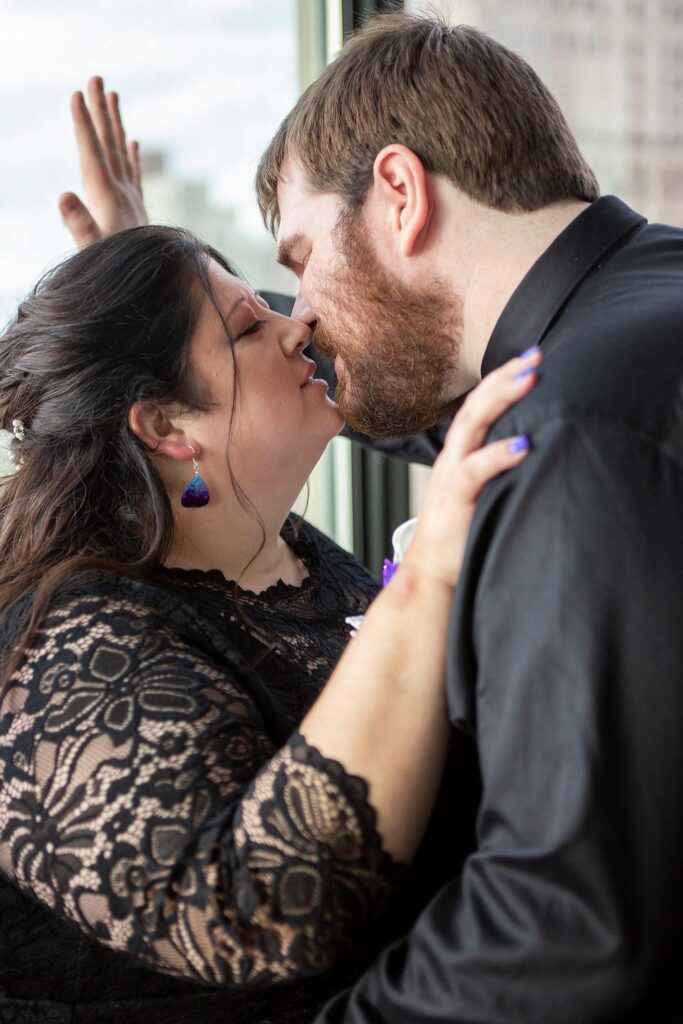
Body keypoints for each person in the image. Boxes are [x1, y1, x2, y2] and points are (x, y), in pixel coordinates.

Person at [56, 11, 683, 1017]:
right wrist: (163, 321)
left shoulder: (573, 430)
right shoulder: (638, 314)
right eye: (264, 313)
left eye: (300, 260)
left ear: (397, 192)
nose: (299, 314)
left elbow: (566, 926)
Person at [0, 219, 540, 1023]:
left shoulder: (285, 552)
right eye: (250, 327)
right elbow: (255, 915)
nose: (300, 327)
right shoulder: (74, 646)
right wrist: (425, 580)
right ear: (166, 426)